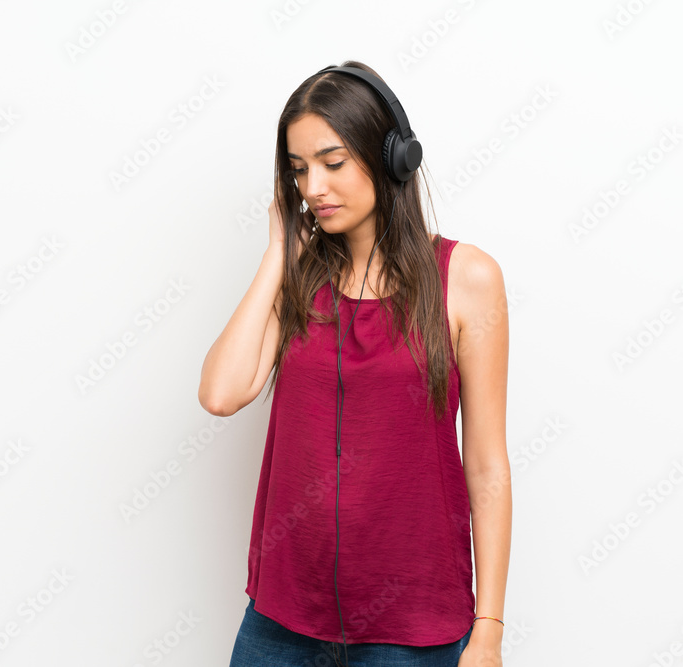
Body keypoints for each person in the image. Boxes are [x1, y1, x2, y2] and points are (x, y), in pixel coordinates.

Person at [198, 60, 511, 667]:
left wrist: (489, 629)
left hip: (413, 628)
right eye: (298, 171)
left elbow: (486, 461)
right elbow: (220, 392)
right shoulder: (297, 279)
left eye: (332, 162)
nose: (313, 187)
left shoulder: (467, 279)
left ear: (393, 156)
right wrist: (279, 253)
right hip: (282, 621)